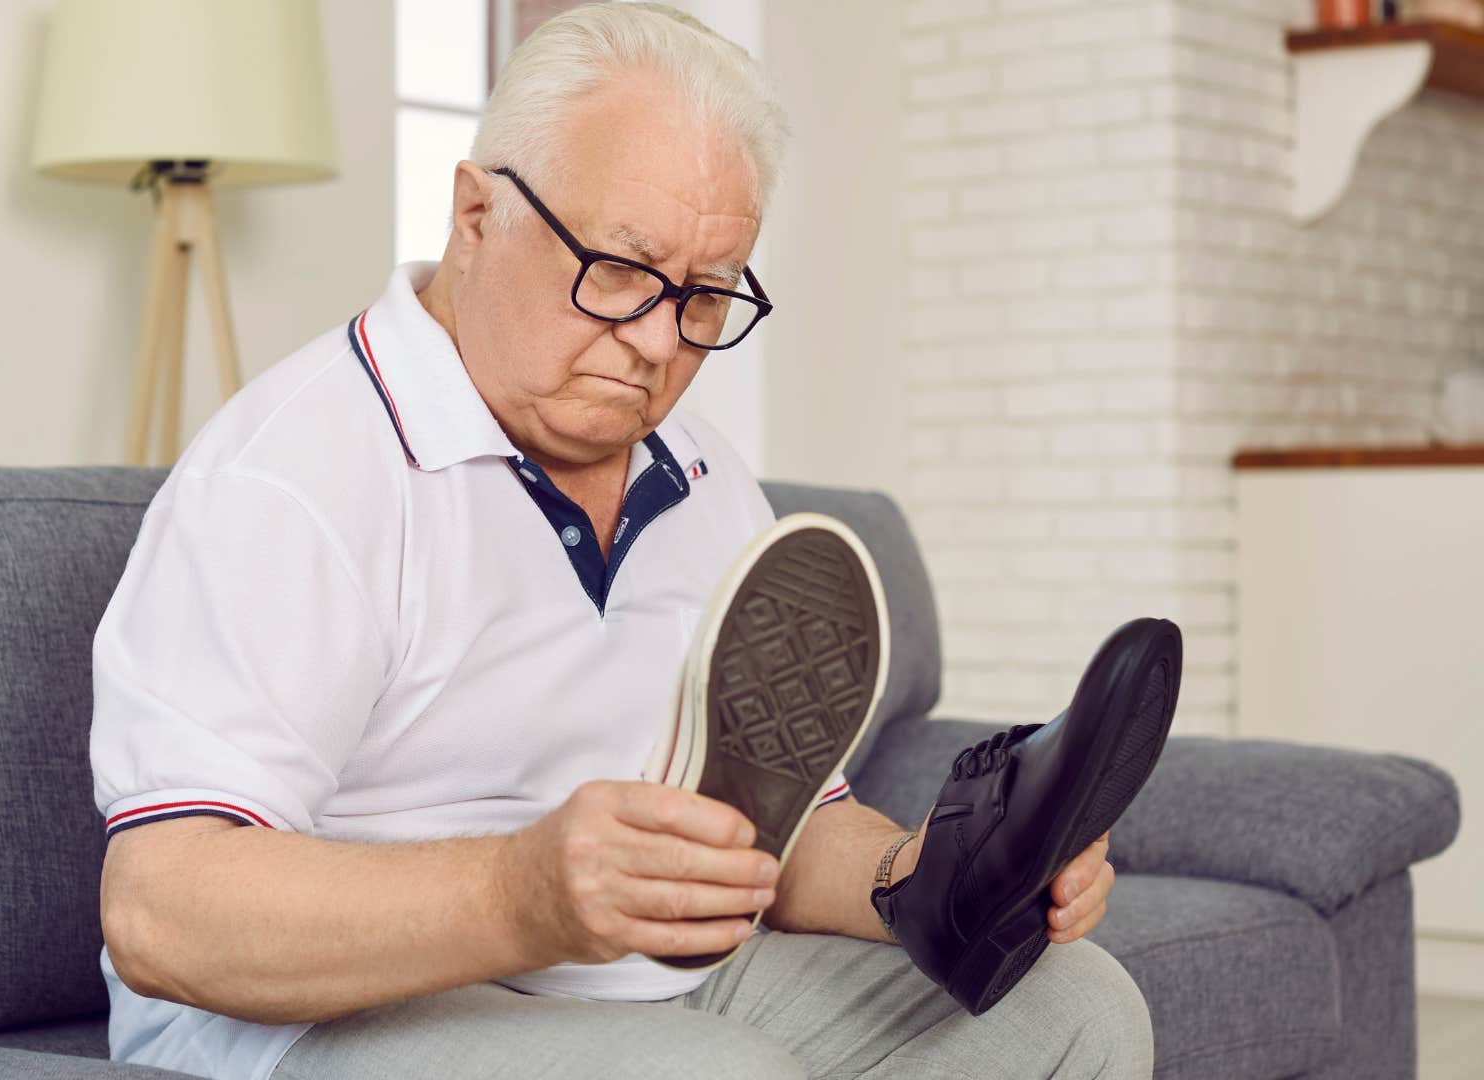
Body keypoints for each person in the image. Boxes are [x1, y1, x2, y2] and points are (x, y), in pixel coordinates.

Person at [87, 4, 1152, 1078]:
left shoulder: (701, 475)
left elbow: (773, 833)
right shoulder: (298, 474)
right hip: (326, 1020)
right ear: (474, 213)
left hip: (654, 982)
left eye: (703, 294)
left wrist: (926, 875)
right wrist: (525, 894)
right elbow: (162, 911)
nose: (654, 341)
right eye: (619, 269)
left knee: (1075, 1010)